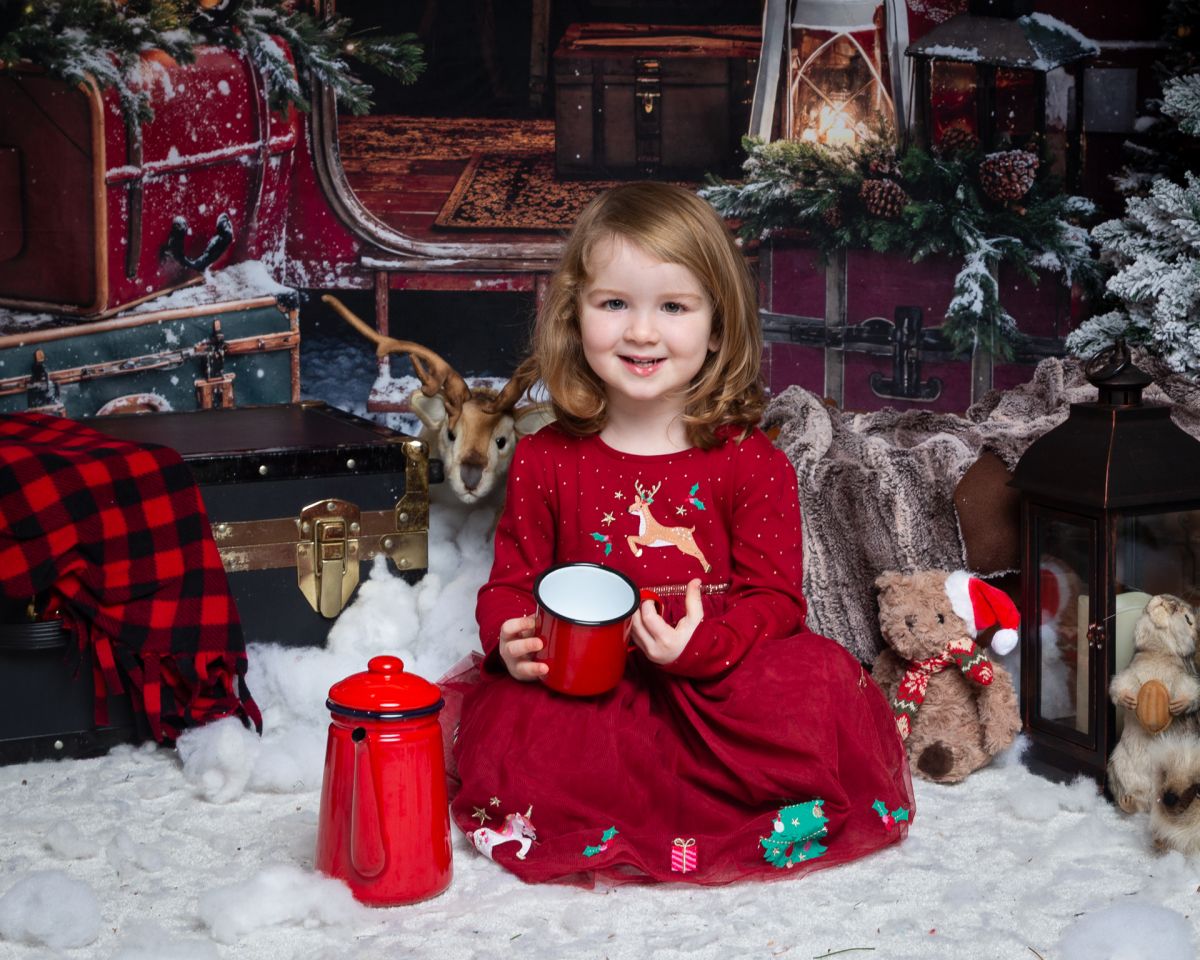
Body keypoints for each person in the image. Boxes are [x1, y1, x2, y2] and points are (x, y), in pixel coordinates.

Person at [441, 181, 913, 885]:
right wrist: (508, 634)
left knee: (814, 688)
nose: (641, 332)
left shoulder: (751, 461)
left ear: (717, 325)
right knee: (530, 737)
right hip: (592, 679)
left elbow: (776, 600)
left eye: (672, 306)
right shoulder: (545, 458)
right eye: (614, 304)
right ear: (574, 316)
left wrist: (705, 645)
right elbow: (512, 578)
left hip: (717, 672)